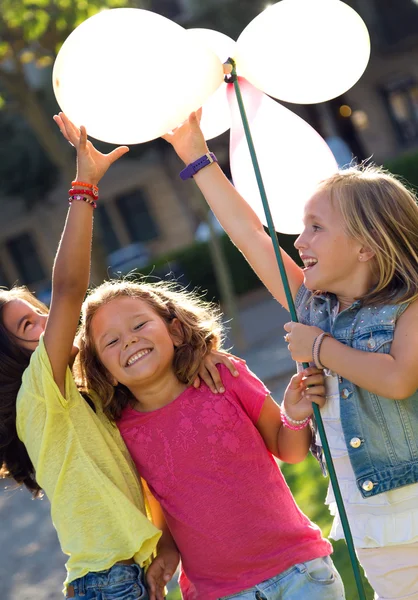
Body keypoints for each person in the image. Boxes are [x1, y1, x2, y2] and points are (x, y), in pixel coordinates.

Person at [162, 110, 418, 600]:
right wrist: (197, 157)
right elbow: (250, 235)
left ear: (366, 246)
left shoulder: (408, 307)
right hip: (369, 521)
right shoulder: (310, 306)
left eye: (316, 228)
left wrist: (320, 347)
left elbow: (399, 378)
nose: (299, 242)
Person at [0, 113, 235, 600]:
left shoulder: (82, 393)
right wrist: (84, 185)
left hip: (131, 574)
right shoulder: (39, 394)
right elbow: (68, 290)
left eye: (39, 314)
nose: (46, 325)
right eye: (28, 327)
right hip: (109, 582)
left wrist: (203, 359)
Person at [75, 277, 345, 600]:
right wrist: (166, 551)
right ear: (103, 371)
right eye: (112, 341)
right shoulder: (121, 433)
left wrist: (295, 414)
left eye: (139, 325)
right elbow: (161, 509)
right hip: (217, 593)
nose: (130, 342)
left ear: (174, 331)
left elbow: (289, 449)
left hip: (299, 572)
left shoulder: (225, 376)